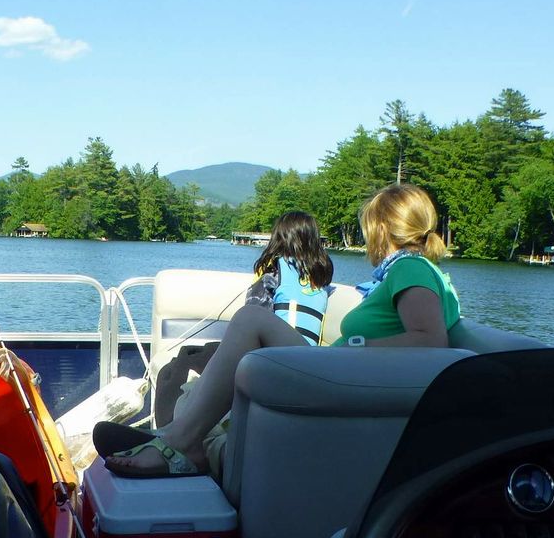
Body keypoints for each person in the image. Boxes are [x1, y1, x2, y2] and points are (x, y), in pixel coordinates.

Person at [101, 183, 459, 477]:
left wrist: (356, 346)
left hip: (344, 378)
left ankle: (181, 441)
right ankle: (178, 434)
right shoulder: (414, 271)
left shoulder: (410, 269)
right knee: (233, 341)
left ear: (381, 229)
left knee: (250, 320)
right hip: (344, 374)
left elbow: (430, 340)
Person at [244, 210, 335, 345]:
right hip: (310, 354)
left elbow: (251, 320)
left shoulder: (273, 275)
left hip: (279, 353)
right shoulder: (321, 279)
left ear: (278, 239)